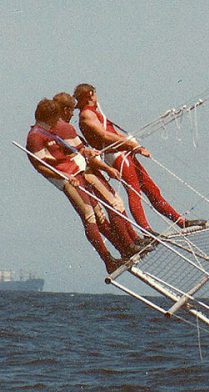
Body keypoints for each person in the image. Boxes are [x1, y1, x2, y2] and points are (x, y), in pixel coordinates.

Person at [73, 83, 205, 232]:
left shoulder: (95, 112)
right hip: (116, 155)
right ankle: (146, 229)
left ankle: (180, 221)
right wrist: (130, 144)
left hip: (124, 152)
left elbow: (113, 133)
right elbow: (104, 135)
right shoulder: (87, 114)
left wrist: (134, 145)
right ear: (91, 94)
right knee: (134, 191)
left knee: (152, 189)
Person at [25, 99, 135, 274]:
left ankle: (122, 250)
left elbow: (69, 150)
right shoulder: (35, 137)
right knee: (89, 216)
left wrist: (85, 153)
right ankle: (107, 259)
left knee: (99, 214)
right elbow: (40, 165)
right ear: (48, 117)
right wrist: (64, 176)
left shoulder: (48, 132)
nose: (56, 124)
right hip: (67, 180)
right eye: (54, 119)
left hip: (76, 173)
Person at [52, 92, 147, 255]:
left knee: (104, 211)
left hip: (82, 172)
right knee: (114, 204)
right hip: (86, 172)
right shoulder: (64, 128)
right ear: (66, 110)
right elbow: (85, 154)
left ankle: (131, 241)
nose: (73, 114)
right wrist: (108, 168)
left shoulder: (55, 127)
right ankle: (129, 245)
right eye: (71, 111)